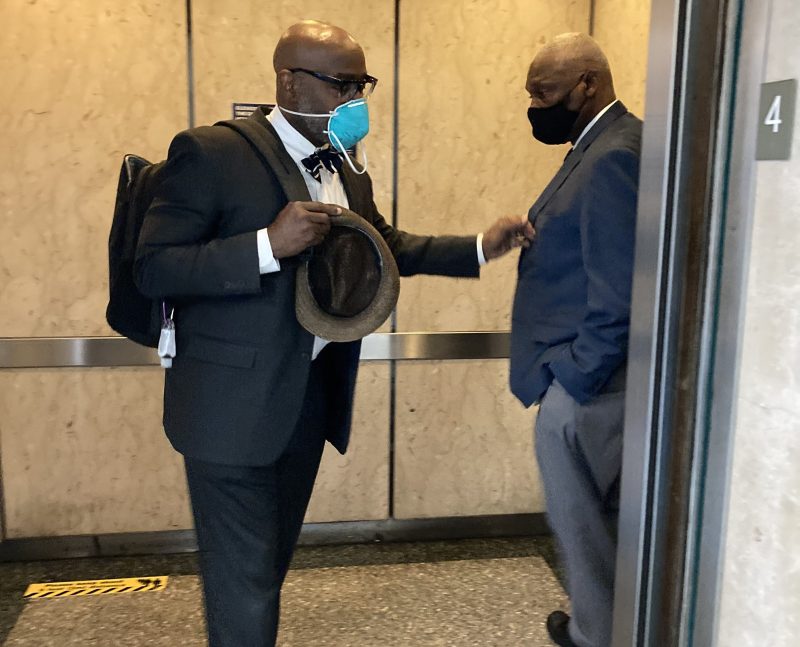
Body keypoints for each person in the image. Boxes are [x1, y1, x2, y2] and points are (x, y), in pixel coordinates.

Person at [135, 20, 533, 647]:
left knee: (264, 569)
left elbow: (384, 246)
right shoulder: (212, 152)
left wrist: (478, 248)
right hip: (227, 407)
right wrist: (269, 243)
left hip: (305, 399)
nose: (355, 101)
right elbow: (155, 266)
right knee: (246, 582)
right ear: (288, 80)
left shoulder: (349, 167)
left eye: (362, 85)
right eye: (340, 84)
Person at [509, 33, 642, 647]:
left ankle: (596, 637)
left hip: (589, 388)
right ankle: (603, 627)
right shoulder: (594, 147)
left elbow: (618, 292)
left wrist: (573, 379)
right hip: (584, 380)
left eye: (546, 92)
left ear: (589, 84)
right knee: (595, 527)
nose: (536, 106)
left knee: (583, 525)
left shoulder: (616, 154)